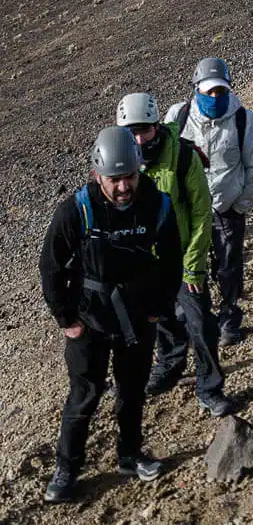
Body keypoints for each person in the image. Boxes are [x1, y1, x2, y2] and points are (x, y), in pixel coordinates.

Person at [39, 127, 182, 504]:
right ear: (97, 175)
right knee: (84, 395)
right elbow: (50, 266)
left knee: (132, 391)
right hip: (89, 321)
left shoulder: (157, 204)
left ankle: (130, 455)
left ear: (140, 171)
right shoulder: (77, 210)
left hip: (137, 319)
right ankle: (67, 468)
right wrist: (67, 321)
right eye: (114, 179)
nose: (123, 188)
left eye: (129, 177)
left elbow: (171, 263)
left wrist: (157, 311)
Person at [116, 92, 236, 418]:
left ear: (157, 125)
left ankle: (209, 387)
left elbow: (201, 213)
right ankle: (171, 362)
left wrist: (194, 265)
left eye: (145, 130)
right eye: (132, 132)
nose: (139, 139)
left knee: (201, 323)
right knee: (160, 319)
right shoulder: (121, 164)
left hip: (182, 258)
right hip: (146, 264)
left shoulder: (182, 156)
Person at [165, 58, 253, 348]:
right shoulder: (178, 116)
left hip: (227, 208)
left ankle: (229, 317)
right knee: (186, 263)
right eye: (209, 91)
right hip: (187, 209)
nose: (214, 97)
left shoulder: (243, 119)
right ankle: (189, 317)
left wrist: (242, 205)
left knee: (229, 266)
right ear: (196, 89)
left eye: (220, 91)